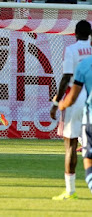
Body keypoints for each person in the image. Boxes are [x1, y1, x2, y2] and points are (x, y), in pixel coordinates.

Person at [50, 20, 92, 200]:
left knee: (71, 144)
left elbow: (66, 77)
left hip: (75, 96)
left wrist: (57, 101)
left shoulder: (71, 50)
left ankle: (70, 190)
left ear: (75, 33)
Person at [58, 55, 92, 196]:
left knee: (88, 160)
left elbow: (73, 93)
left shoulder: (84, 64)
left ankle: (71, 191)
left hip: (89, 114)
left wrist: (60, 104)